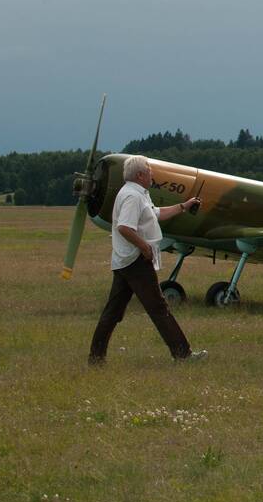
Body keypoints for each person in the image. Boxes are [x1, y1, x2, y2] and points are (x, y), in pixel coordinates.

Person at [88, 155, 206, 365]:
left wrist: (183, 206)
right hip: (135, 261)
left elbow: (156, 213)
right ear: (140, 175)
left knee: (113, 311)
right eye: (150, 170)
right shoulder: (132, 197)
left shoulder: (138, 194)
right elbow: (125, 227)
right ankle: (183, 354)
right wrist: (144, 247)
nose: (153, 174)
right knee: (159, 308)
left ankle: (96, 358)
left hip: (125, 261)